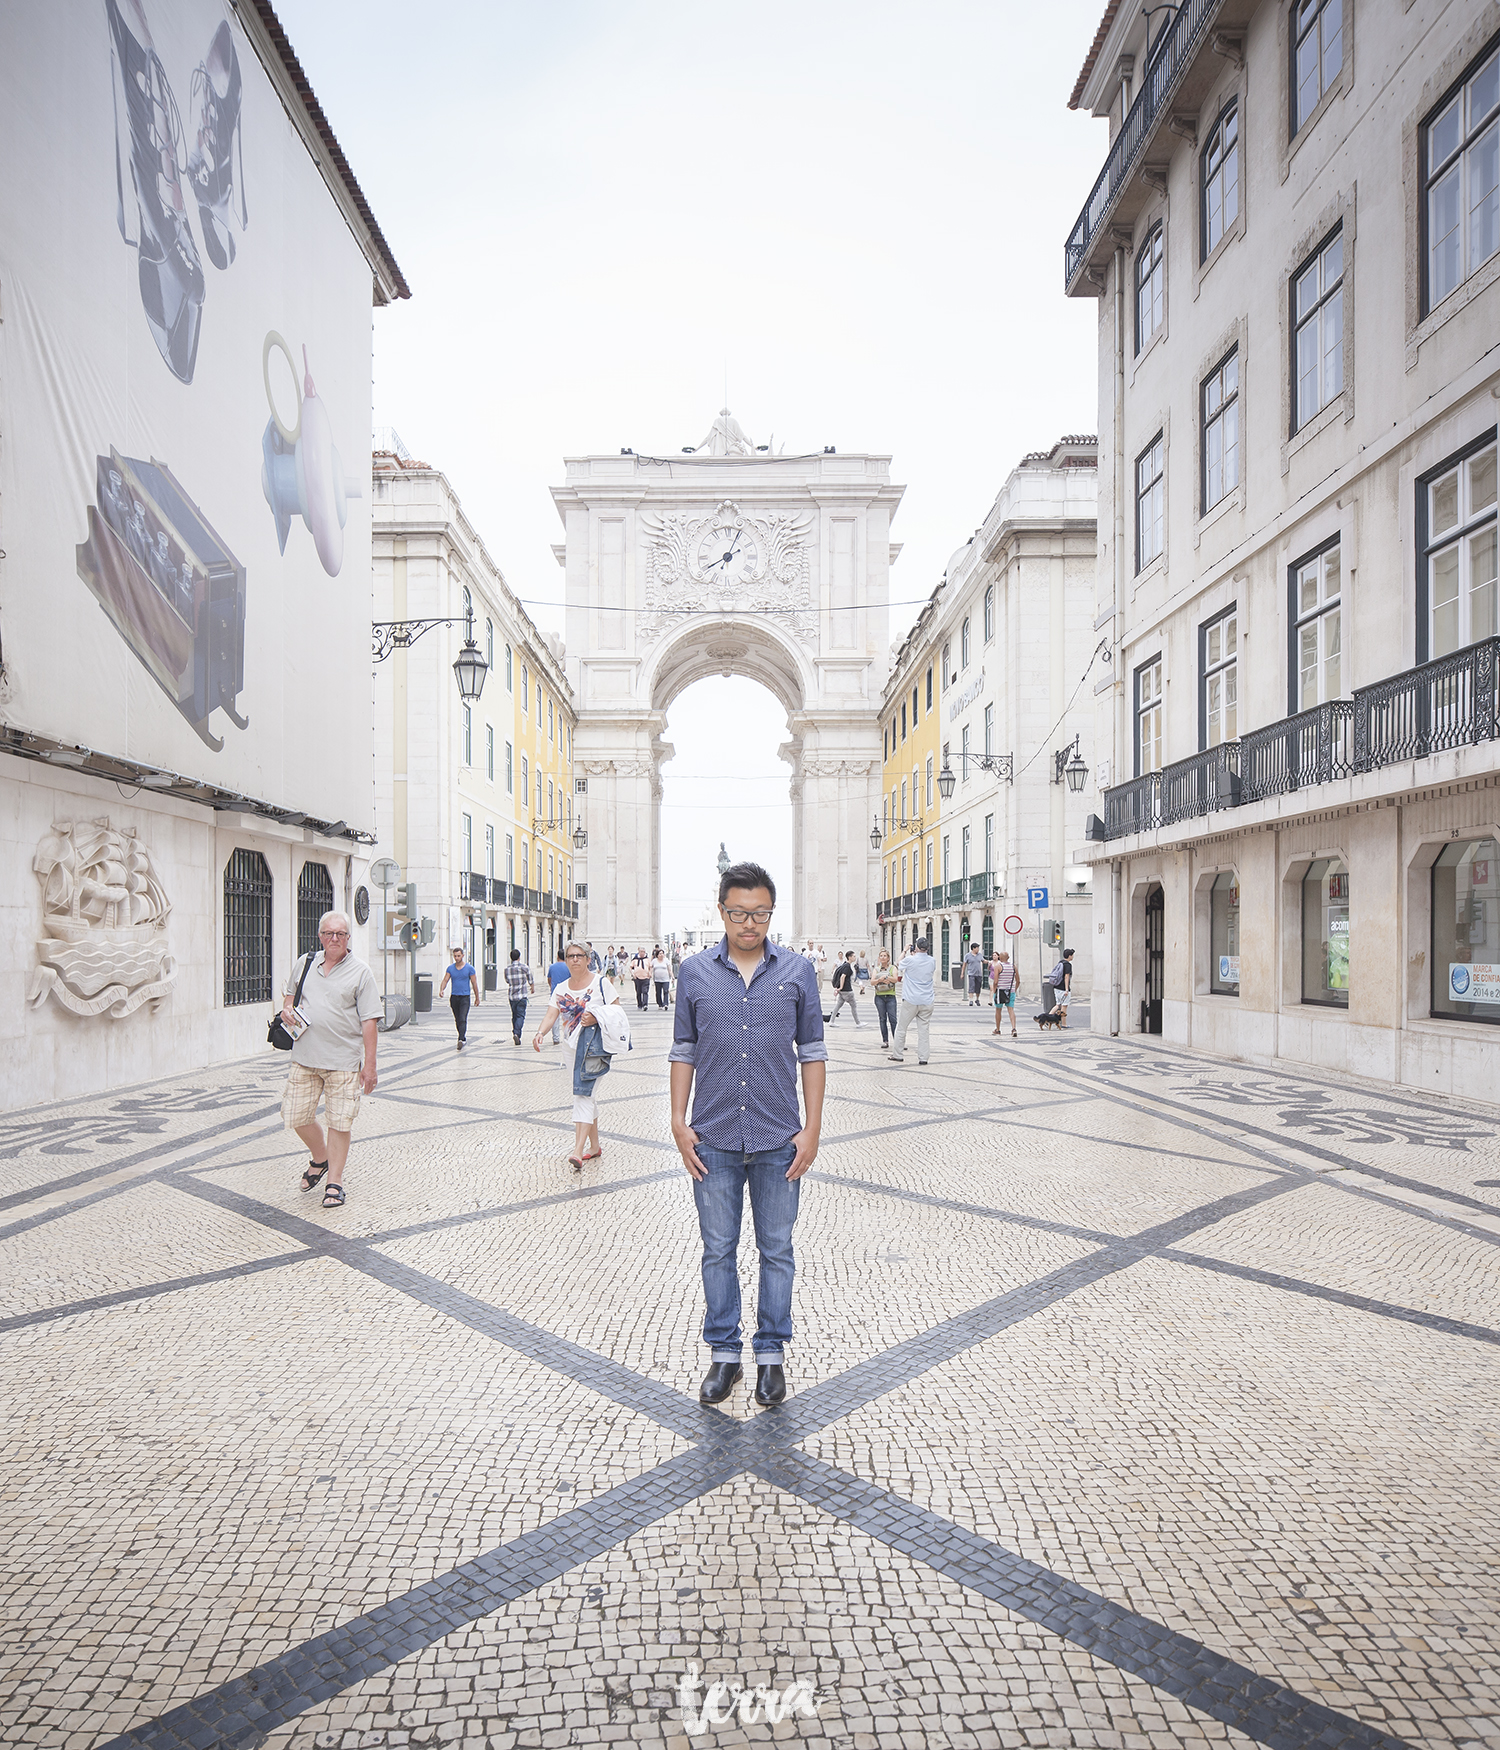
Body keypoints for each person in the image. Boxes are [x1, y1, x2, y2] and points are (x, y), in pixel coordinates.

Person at [670, 860, 826, 1409]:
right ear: (721, 911)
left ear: (771, 913)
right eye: (739, 912)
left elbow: (812, 1053)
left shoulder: (797, 972)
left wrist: (812, 1129)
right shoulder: (693, 972)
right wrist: (677, 1120)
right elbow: (683, 1050)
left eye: (760, 913)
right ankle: (724, 1356)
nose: (749, 923)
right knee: (718, 1250)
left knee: (776, 1249)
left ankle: (771, 1358)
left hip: (779, 1134)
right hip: (712, 1133)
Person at [281, 911, 380, 1211]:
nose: (334, 939)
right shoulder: (305, 962)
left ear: (349, 938)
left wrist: (370, 1067)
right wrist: (287, 1009)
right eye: (328, 933)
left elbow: (369, 1022)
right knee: (295, 1115)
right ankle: (320, 1157)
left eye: (340, 934)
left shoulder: (361, 972)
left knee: (339, 1122)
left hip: (344, 1062)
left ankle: (334, 1181)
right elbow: (289, 996)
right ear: (320, 935)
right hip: (304, 1058)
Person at [533, 942, 628, 1168]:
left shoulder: (601, 983)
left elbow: (617, 1009)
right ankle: (594, 1147)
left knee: (582, 1095)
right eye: (570, 956)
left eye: (579, 955)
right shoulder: (560, 988)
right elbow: (551, 1014)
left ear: (588, 959)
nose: (574, 959)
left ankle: (577, 1150)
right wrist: (540, 1033)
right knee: (586, 1093)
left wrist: (595, 1017)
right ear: (566, 961)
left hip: (594, 1048)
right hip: (570, 1048)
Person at [889, 936, 936, 1065]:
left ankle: (897, 1054)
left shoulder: (910, 960)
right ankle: (923, 1058)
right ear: (928, 948)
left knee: (902, 1028)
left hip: (911, 999)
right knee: (924, 1031)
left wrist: (904, 951)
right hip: (927, 1000)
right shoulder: (932, 961)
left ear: (916, 947)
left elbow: (898, 963)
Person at [439, 945, 481, 1051]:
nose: (457, 958)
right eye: (455, 956)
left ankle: (461, 1039)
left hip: (465, 997)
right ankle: (462, 1036)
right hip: (454, 997)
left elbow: (474, 983)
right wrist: (442, 989)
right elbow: (445, 980)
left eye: (458, 956)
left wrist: (477, 997)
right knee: (457, 1019)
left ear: (462, 955)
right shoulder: (450, 968)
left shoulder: (469, 969)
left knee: (462, 1018)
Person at [504, 947, 534, 1045]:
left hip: (512, 996)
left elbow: (507, 981)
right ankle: (517, 1033)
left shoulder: (507, 969)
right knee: (521, 1015)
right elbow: (530, 978)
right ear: (519, 957)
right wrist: (532, 987)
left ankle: (515, 1031)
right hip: (522, 996)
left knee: (514, 1015)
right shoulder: (524, 967)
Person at [870, 949, 899, 1047]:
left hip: (890, 996)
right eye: (881, 956)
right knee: (882, 1019)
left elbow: (895, 979)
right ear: (879, 958)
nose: (883, 958)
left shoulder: (892, 968)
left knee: (893, 1019)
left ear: (888, 958)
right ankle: (885, 1041)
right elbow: (872, 982)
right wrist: (879, 979)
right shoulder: (876, 970)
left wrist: (886, 978)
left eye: (884, 956)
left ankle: (897, 1041)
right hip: (879, 997)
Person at [991, 950, 1021, 1038]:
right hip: (1010, 991)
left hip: (1000, 991)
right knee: (1011, 1010)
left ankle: (998, 1029)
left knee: (998, 1010)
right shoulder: (1013, 966)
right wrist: (1014, 989)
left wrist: (994, 990)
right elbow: (1018, 980)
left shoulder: (998, 966)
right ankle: (1014, 1028)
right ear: (1008, 958)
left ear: (1000, 958)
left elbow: (996, 981)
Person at [829, 950, 862, 1026]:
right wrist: (840, 987)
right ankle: (858, 1023)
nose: (855, 957)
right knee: (853, 1006)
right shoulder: (847, 966)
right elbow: (843, 977)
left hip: (842, 991)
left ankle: (831, 1021)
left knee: (838, 1006)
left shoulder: (844, 965)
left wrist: (839, 988)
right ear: (849, 957)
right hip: (847, 990)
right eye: (854, 956)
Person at [546, 948, 571, 1043]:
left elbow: (549, 979)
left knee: (554, 1017)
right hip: (567, 994)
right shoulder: (568, 967)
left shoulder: (552, 967)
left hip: (555, 994)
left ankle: (556, 1038)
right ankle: (567, 1036)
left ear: (557, 956)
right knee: (567, 1017)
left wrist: (552, 987)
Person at [1049, 947, 1076, 1025]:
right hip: (1063, 988)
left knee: (1057, 1005)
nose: (1073, 956)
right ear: (1069, 956)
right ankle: (1064, 1024)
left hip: (1056, 986)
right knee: (1064, 1005)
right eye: (1072, 955)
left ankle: (1048, 1018)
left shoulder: (1060, 963)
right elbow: (1066, 977)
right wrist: (1067, 989)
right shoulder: (1068, 965)